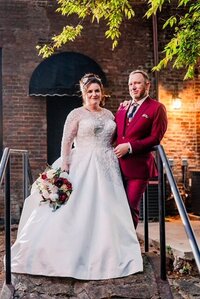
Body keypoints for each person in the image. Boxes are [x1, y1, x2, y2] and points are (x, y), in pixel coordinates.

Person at [11, 73, 143, 280]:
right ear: (83, 93)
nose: (94, 94)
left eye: (97, 91)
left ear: (102, 92)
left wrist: (126, 108)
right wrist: (65, 165)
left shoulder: (109, 115)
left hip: (108, 165)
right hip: (82, 163)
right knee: (77, 209)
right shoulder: (76, 114)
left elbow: (120, 134)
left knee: (108, 208)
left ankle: (108, 253)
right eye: (89, 91)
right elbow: (66, 140)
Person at [114, 70, 168, 229]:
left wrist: (130, 147)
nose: (133, 87)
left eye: (137, 83)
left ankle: (129, 249)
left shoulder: (157, 108)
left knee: (130, 208)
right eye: (130, 84)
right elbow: (116, 134)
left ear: (147, 85)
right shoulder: (123, 107)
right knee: (114, 209)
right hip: (116, 167)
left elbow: (155, 138)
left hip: (139, 169)